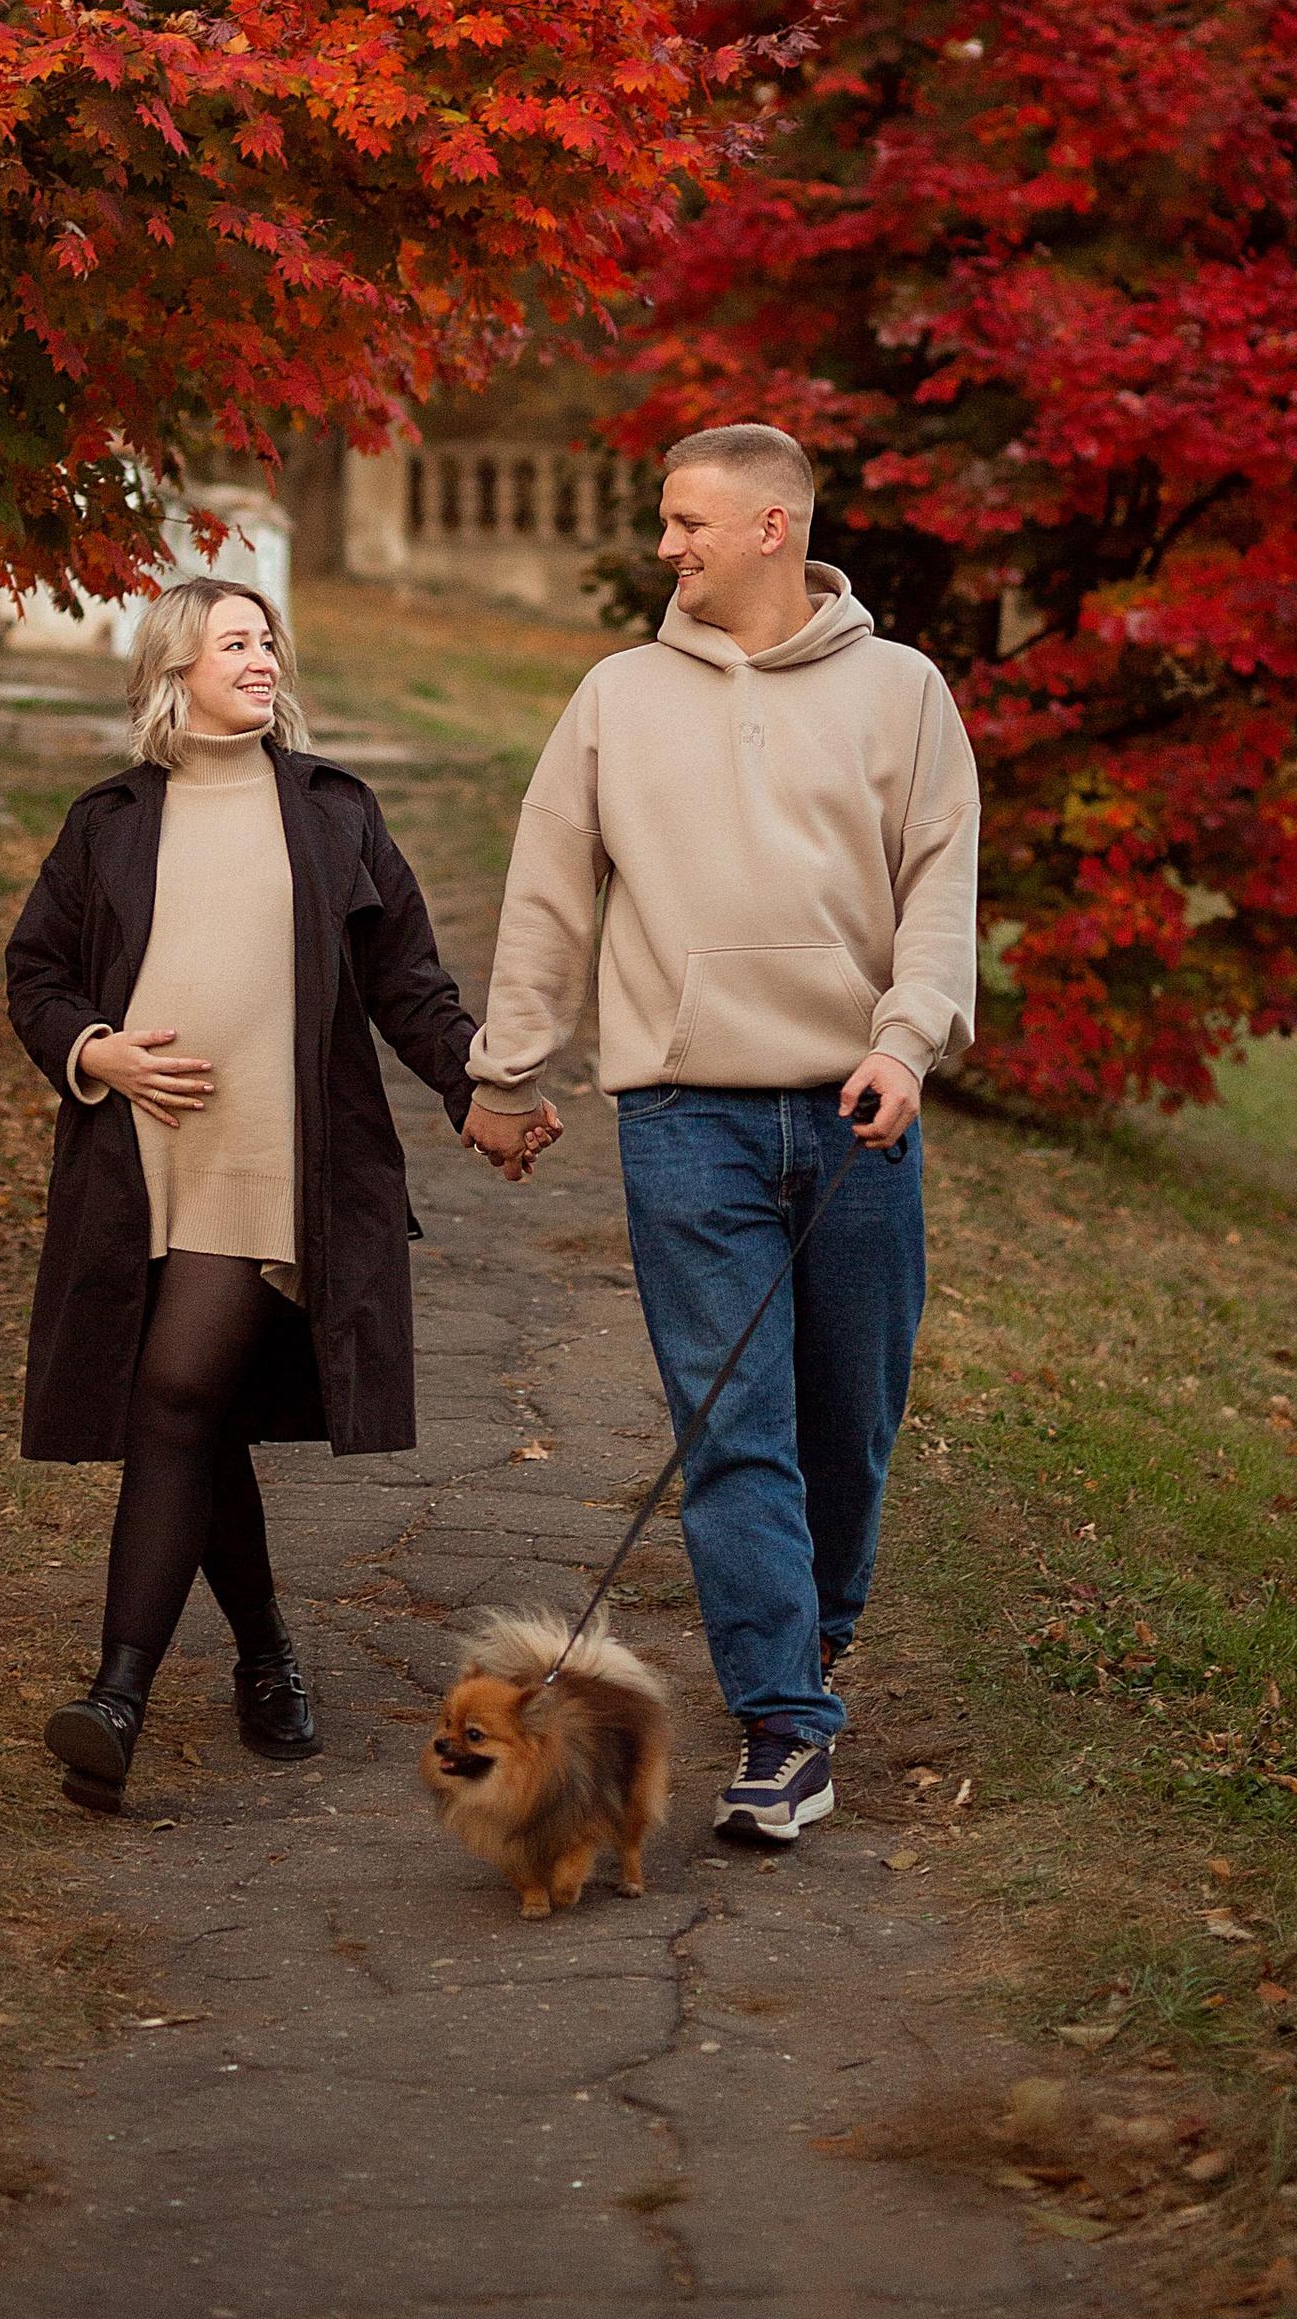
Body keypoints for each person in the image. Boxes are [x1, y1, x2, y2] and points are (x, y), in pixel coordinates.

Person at [468, 424, 977, 1845]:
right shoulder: (618, 697)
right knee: (733, 1430)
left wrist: (906, 1039)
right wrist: (509, 1072)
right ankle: (784, 1727)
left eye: (691, 522)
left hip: (857, 1115)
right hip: (685, 1119)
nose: (667, 547)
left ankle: (813, 1638)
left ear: (772, 528)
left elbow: (940, 887)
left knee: (847, 1428)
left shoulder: (904, 692)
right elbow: (549, 896)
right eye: (664, 522)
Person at [4, 575, 545, 1811]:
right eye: (231, 642)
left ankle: (118, 1698)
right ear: (173, 668)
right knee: (190, 1418)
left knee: (180, 1387)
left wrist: (479, 1093)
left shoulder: (332, 811)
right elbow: (34, 970)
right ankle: (263, 1660)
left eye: (265, 640)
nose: (260, 658)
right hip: (141, 1163)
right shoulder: (109, 821)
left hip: (276, 1156)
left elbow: (407, 981)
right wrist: (96, 1049)